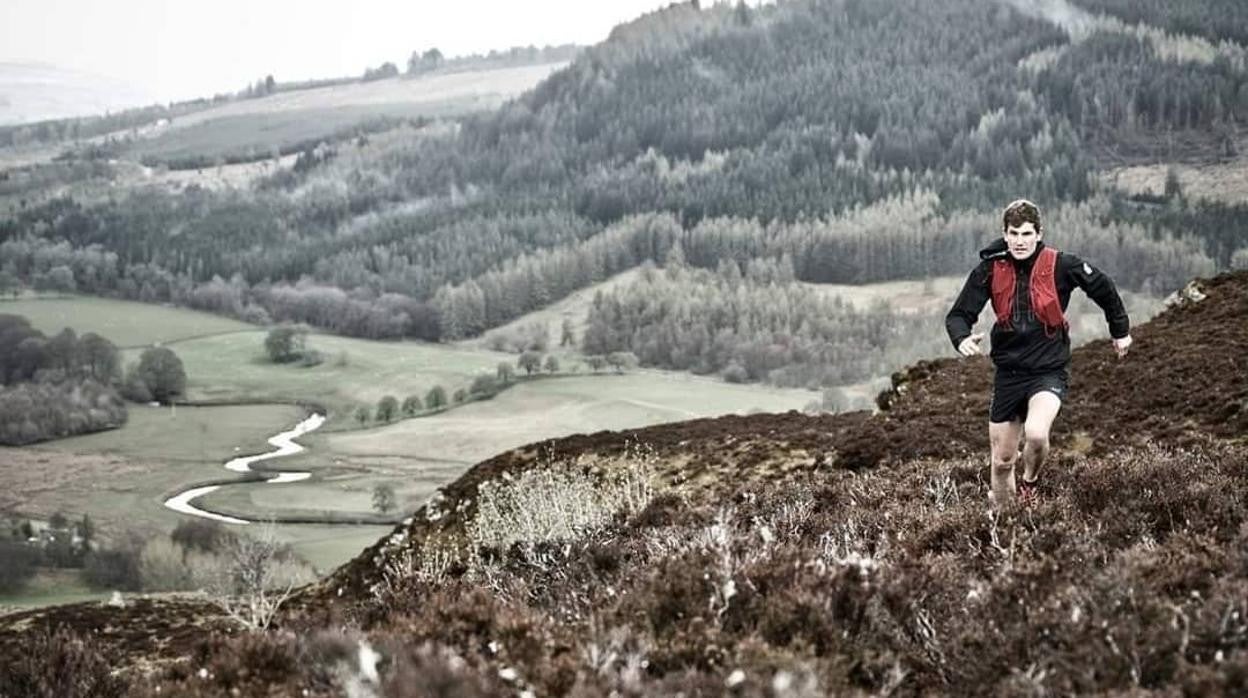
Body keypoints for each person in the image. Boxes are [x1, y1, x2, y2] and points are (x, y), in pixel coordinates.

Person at [945, 199, 1132, 508]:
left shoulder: (1062, 265)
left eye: (1026, 234)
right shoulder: (990, 268)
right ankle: (1006, 520)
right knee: (1002, 461)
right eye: (1014, 233)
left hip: (1048, 371)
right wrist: (961, 338)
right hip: (1008, 374)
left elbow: (1103, 287)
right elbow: (958, 315)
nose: (1020, 241)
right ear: (1004, 234)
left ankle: (1030, 482)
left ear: (1038, 233)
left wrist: (1120, 330)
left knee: (1035, 433)